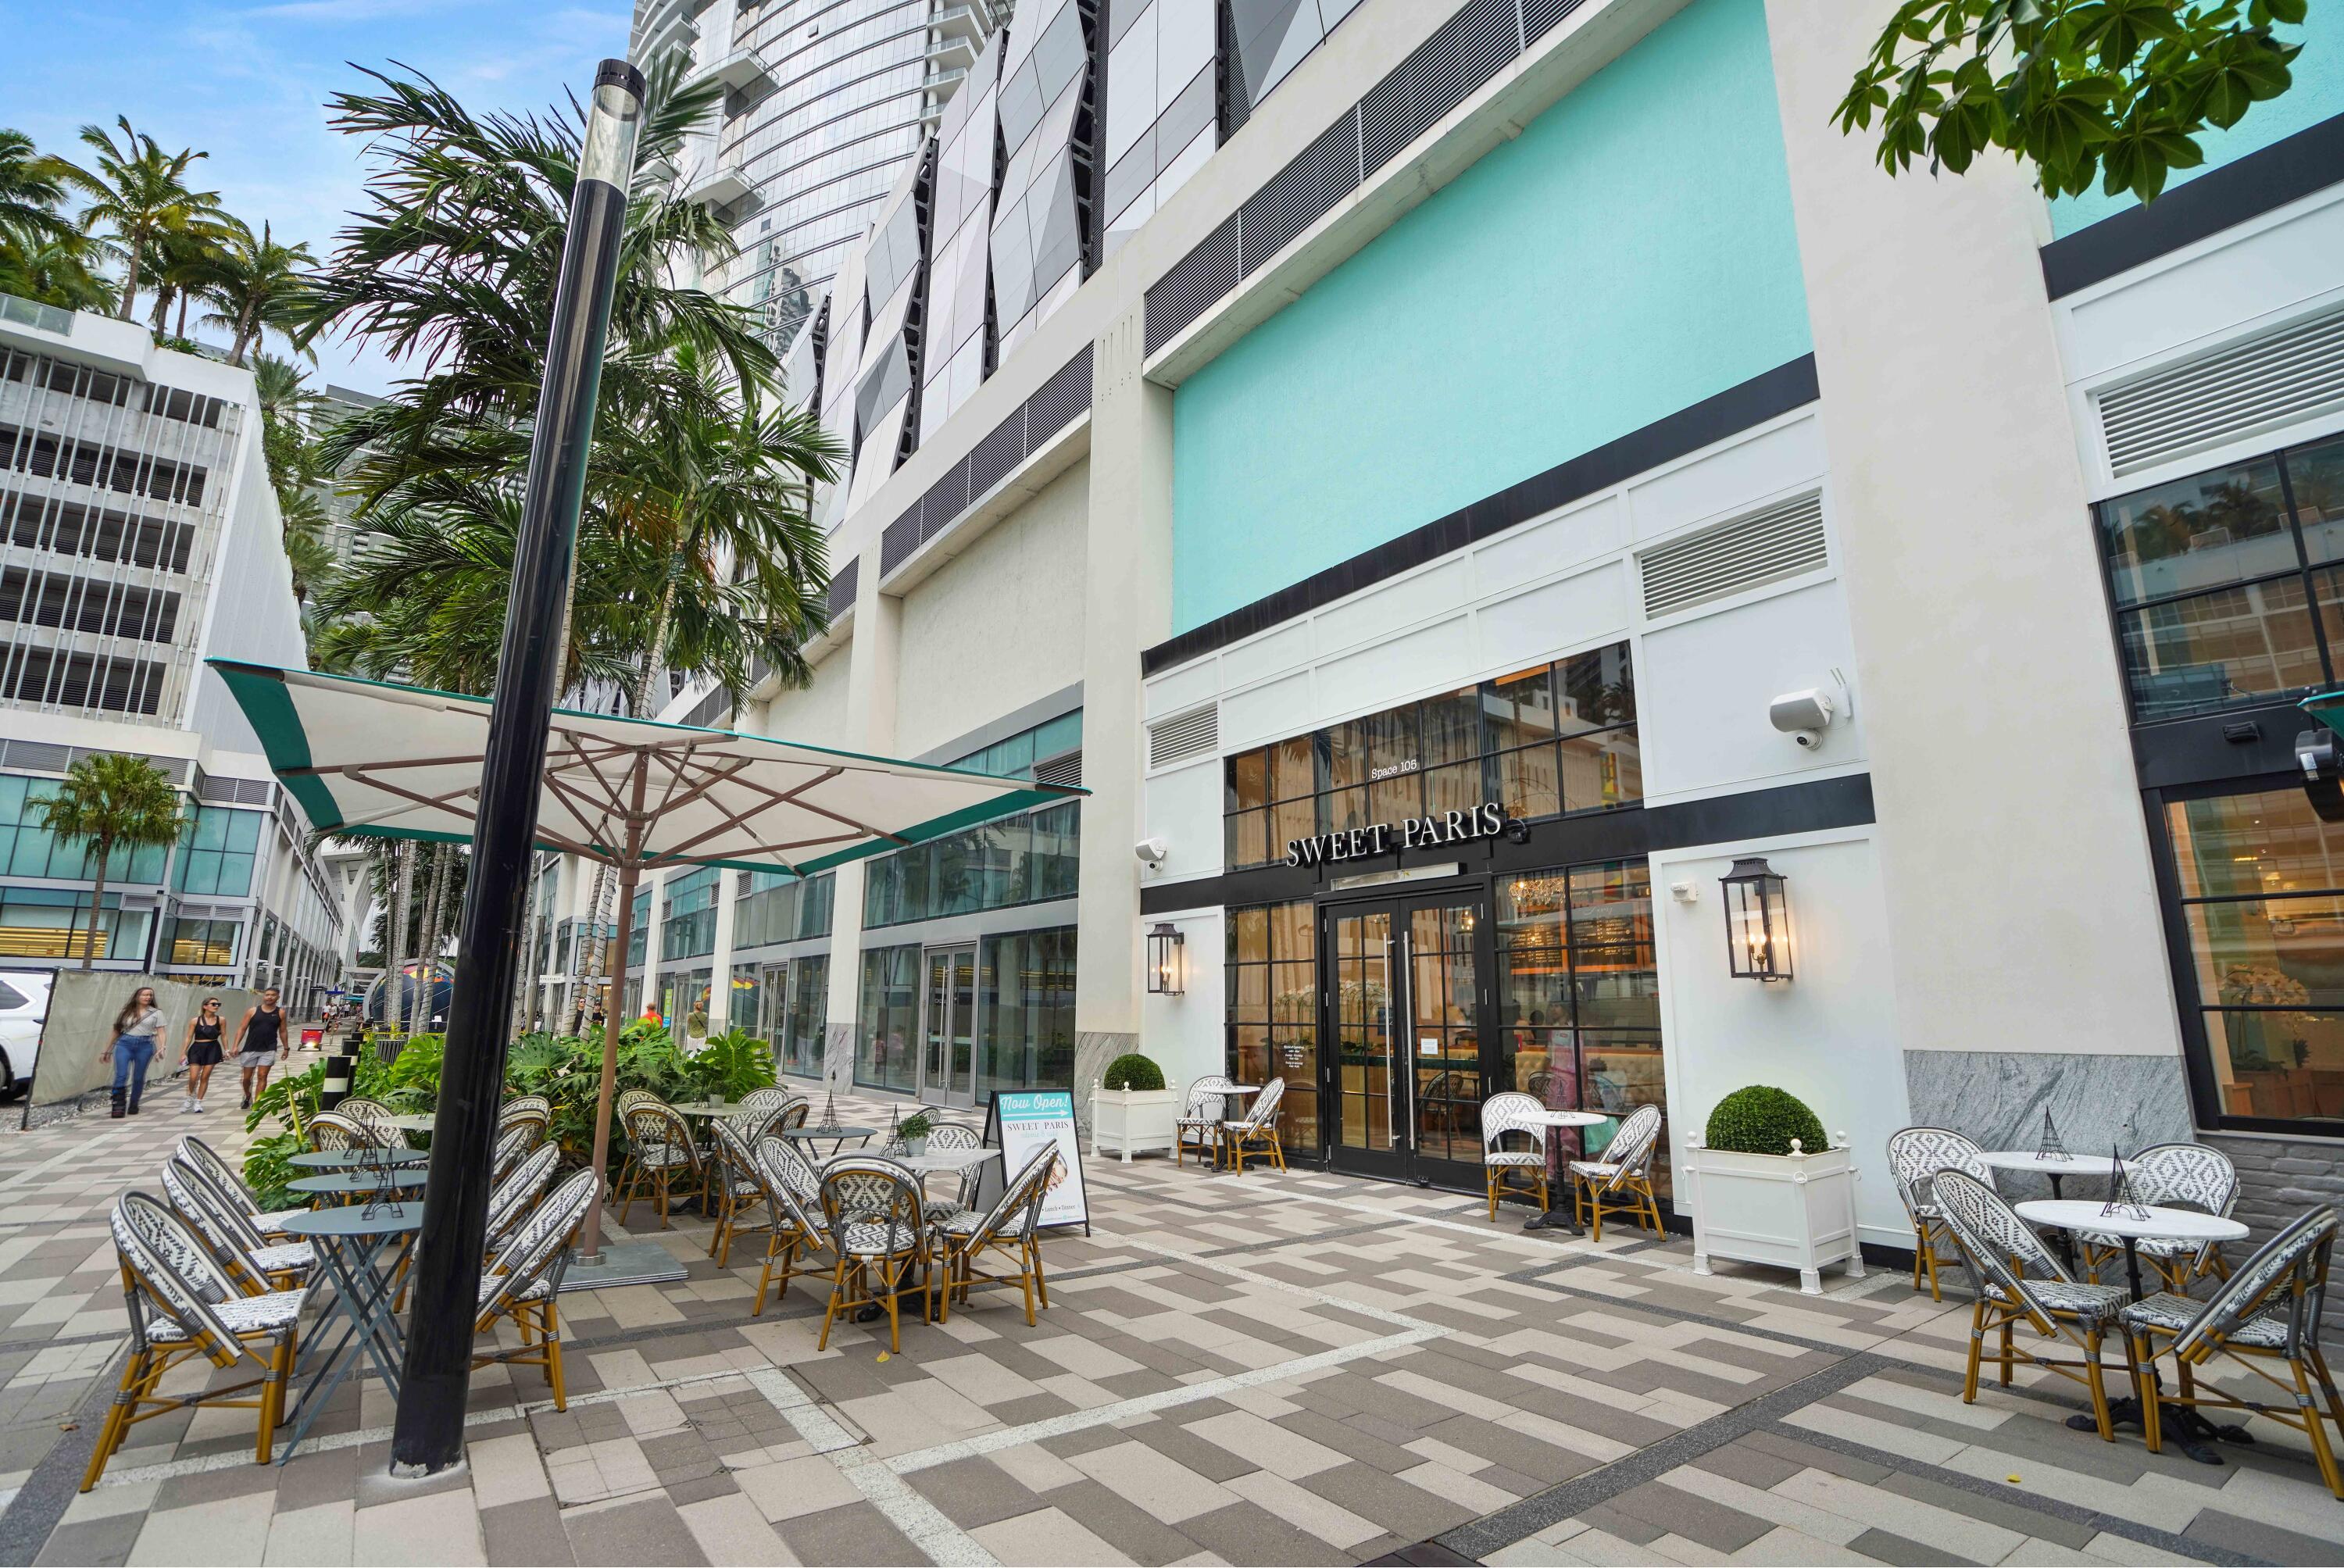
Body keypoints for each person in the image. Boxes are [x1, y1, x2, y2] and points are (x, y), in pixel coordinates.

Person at [102, 987, 166, 1119]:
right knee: (121, 1075)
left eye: (150, 995)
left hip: (145, 1045)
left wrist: (162, 1046)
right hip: (124, 1044)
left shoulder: (156, 1013)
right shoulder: (126, 1011)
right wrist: (107, 1050)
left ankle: (134, 1103)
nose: (148, 997)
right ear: (137, 996)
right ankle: (118, 1105)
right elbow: (116, 1031)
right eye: (145, 995)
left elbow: (161, 1032)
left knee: (138, 1077)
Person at [232, 987, 287, 1110]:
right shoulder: (252, 1011)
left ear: (278, 997)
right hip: (250, 1048)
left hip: (269, 1048)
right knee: (246, 1079)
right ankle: (247, 1096)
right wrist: (235, 1046)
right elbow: (242, 1028)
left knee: (262, 1075)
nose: (270, 997)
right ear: (264, 996)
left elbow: (283, 1031)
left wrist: (286, 1048)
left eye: (273, 995)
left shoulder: (280, 1013)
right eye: (267, 994)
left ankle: (257, 1104)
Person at [180, 997, 226, 1115]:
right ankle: (190, 1097)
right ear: (205, 1006)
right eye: (213, 1004)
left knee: (205, 1077)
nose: (216, 1006)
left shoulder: (221, 1020)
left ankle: (198, 1102)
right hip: (197, 1048)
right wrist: (183, 1052)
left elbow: (224, 1035)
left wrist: (227, 1050)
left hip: (212, 1048)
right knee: (193, 1077)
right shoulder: (195, 1021)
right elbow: (189, 1037)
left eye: (218, 1004)